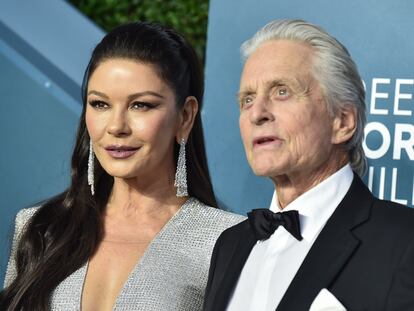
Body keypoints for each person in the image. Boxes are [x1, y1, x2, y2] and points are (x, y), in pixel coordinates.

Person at [1, 22, 244, 311]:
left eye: (140, 105)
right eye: (100, 104)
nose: (116, 126)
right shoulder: (40, 228)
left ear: (185, 116)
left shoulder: (226, 241)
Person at [203, 19, 414, 311]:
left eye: (281, 92)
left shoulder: (404, 242)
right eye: (247, 99)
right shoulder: (229, 245)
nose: (257, 113)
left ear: (343, 121)